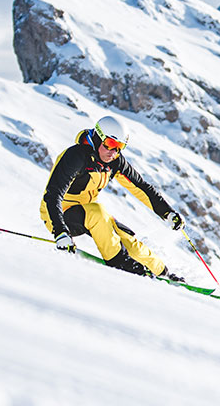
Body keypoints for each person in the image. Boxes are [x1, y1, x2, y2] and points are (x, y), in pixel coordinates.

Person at [39, 115, 187, 283]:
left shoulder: (114, 161)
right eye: (110, 144)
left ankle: (163, 273)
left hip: (88, 213)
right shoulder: (76, 156)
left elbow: (141, 187)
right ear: (97, 137)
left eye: (120, 147)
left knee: (127, 239)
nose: (114, 152)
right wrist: (60, 231)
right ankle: (119, 261)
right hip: (58, 215)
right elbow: (53, 193)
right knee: (98, 212)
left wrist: (167, 213)